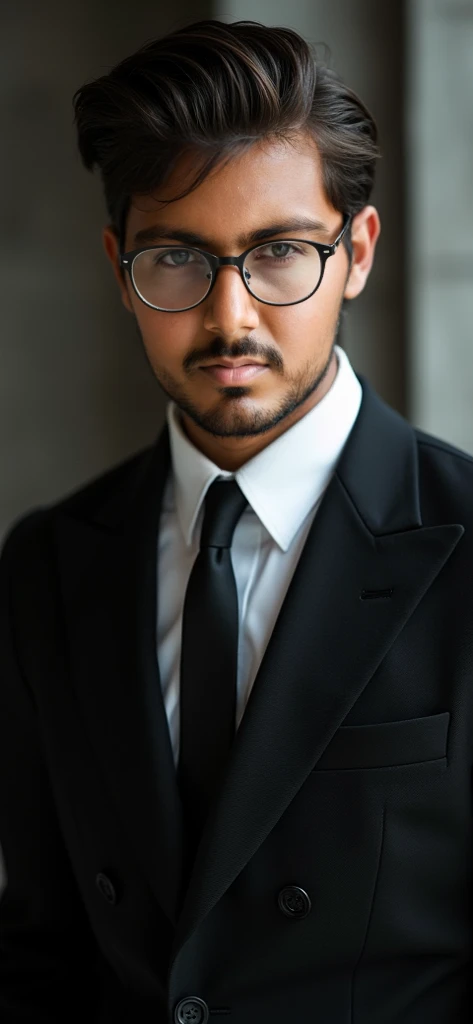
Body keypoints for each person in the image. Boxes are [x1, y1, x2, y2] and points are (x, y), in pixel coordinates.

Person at [0, 17, 472, 1024]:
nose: (229, 316)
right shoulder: (48, 564)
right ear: (116, 262)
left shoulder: (465, 543)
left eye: (278, 253)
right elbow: (41, 945)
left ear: (357, 252)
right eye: (175, 257)